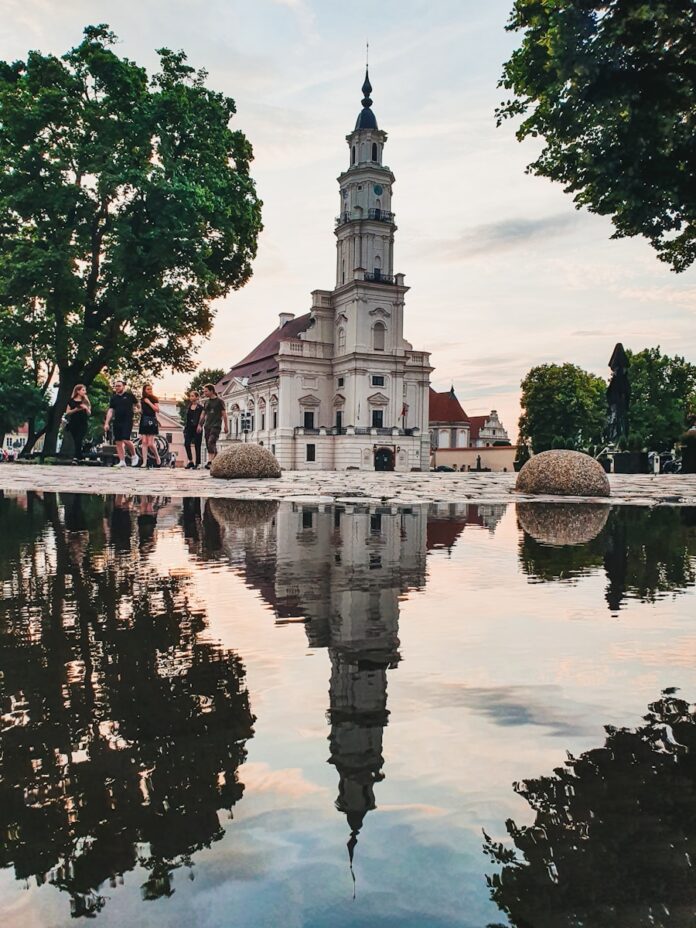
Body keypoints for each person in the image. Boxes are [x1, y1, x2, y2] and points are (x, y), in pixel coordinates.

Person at [104, 380, 139, 468]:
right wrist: (106, 423)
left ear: (123, 386)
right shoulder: (114, 398)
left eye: (119, 386)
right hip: (117, 420)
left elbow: (138, 405)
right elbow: (111, 410)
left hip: (127, 420)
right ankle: (122, 461)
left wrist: (137, 410)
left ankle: (134, 455)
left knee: (126, 439)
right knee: (118, 441)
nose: (117, 388)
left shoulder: (130, 396)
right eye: (116, 386)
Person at [198, 384, 228, 469]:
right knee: (208, 445)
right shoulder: (206, 402)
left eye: (206, 391)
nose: (204, 393)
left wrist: (226, 426)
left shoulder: (219, 401)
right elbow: (203, 415)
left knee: (211, 441)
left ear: (212, 391)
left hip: (216, 425)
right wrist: (199, 425)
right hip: (207, 426)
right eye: (204, 391)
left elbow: (224, 414)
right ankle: (213, 460)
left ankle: (211, 461)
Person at [64, 384, 91, 460]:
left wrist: (86, 408)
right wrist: (76, 409)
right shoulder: (71, 401)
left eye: (85, 390)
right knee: (76, 440)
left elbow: (89, 413)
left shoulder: (85, 400)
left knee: (79, 439)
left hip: (83, 423)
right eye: (83, 390)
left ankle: (76, 457)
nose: (84, 392)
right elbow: (67, 412)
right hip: (73, 423)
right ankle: (79, 457)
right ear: (78, 391)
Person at [139, 384, 162, 468]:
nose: (150, 390)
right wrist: (138, 410)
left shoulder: (154, 398)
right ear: (144, 390)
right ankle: (144, 462)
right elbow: (142, 410)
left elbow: (157, 410)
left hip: (152, 419)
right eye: (148, 389)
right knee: (144, 442)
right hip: (144, 420)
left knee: (150, 444)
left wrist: (149, 402)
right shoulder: (142, 399)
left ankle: (157, 457)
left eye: (151, 389)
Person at [183, 390, 204, 469]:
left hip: (197, 427)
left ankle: (197, 463)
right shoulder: (189, 406)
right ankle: (190, 461)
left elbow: (203, 417)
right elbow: (187, 418)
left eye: (192, 396)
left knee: (197, 445)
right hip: (189, 428)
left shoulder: (200, 407)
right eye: (190, 396)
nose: (190, 397)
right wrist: (185, 428)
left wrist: (200, 425)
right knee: (186, 443)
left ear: (197, 397)